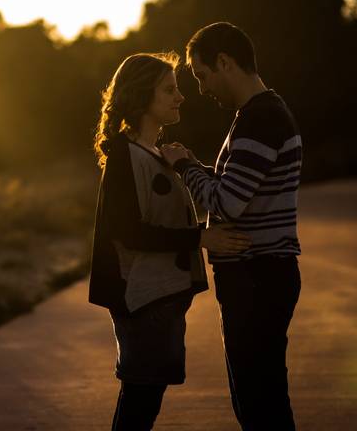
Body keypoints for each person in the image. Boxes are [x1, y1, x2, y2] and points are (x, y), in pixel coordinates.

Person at [87, 51, 251, 431]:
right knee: (141, 398)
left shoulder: (155, 154)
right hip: (141, 297)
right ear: (143, 96)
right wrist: (202, 237)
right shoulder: (124, 156)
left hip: (159, 295)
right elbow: (127, 231)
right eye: (169, 90)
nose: (180, 97)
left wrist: (186, 166)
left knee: (145, 397)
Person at [160, 22, 303, 431]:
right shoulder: (261, 114)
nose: (201, 89)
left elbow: (229, 203)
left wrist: (185, 167)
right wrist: (197, 165)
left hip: (257, 276)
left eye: (202, 75)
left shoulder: (259, 118)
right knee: (263, 398)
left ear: (225, 62)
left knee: (260, 405)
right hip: (261, 276)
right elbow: (239, 187)